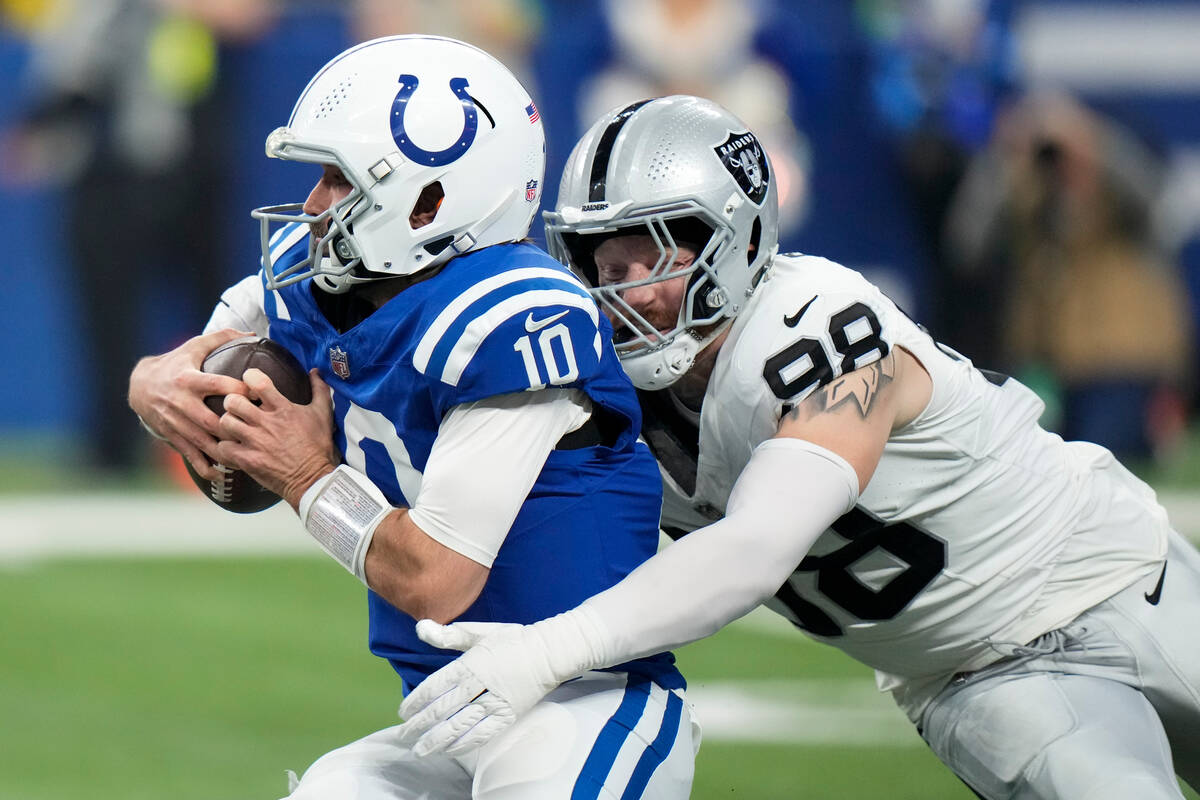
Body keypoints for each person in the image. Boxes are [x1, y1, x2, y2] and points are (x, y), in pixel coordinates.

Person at [395, 95, 1200, 800]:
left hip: (1118, 575)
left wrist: (551, 650)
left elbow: (756, 546)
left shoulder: (814, 322)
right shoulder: (587, 385)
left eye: (655, 254)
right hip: (977, 676)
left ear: (738, 244)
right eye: (604, 258)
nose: (626, 289)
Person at [127, 36, 697, 799]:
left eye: (338, 179)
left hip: (583, 707)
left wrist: (304, 475)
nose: (313, 206)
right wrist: (150, 385)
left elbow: (437, 580)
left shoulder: (512, 317)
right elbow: (212, 349)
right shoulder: (323, 274)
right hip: (440, 716)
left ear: (431, 201)